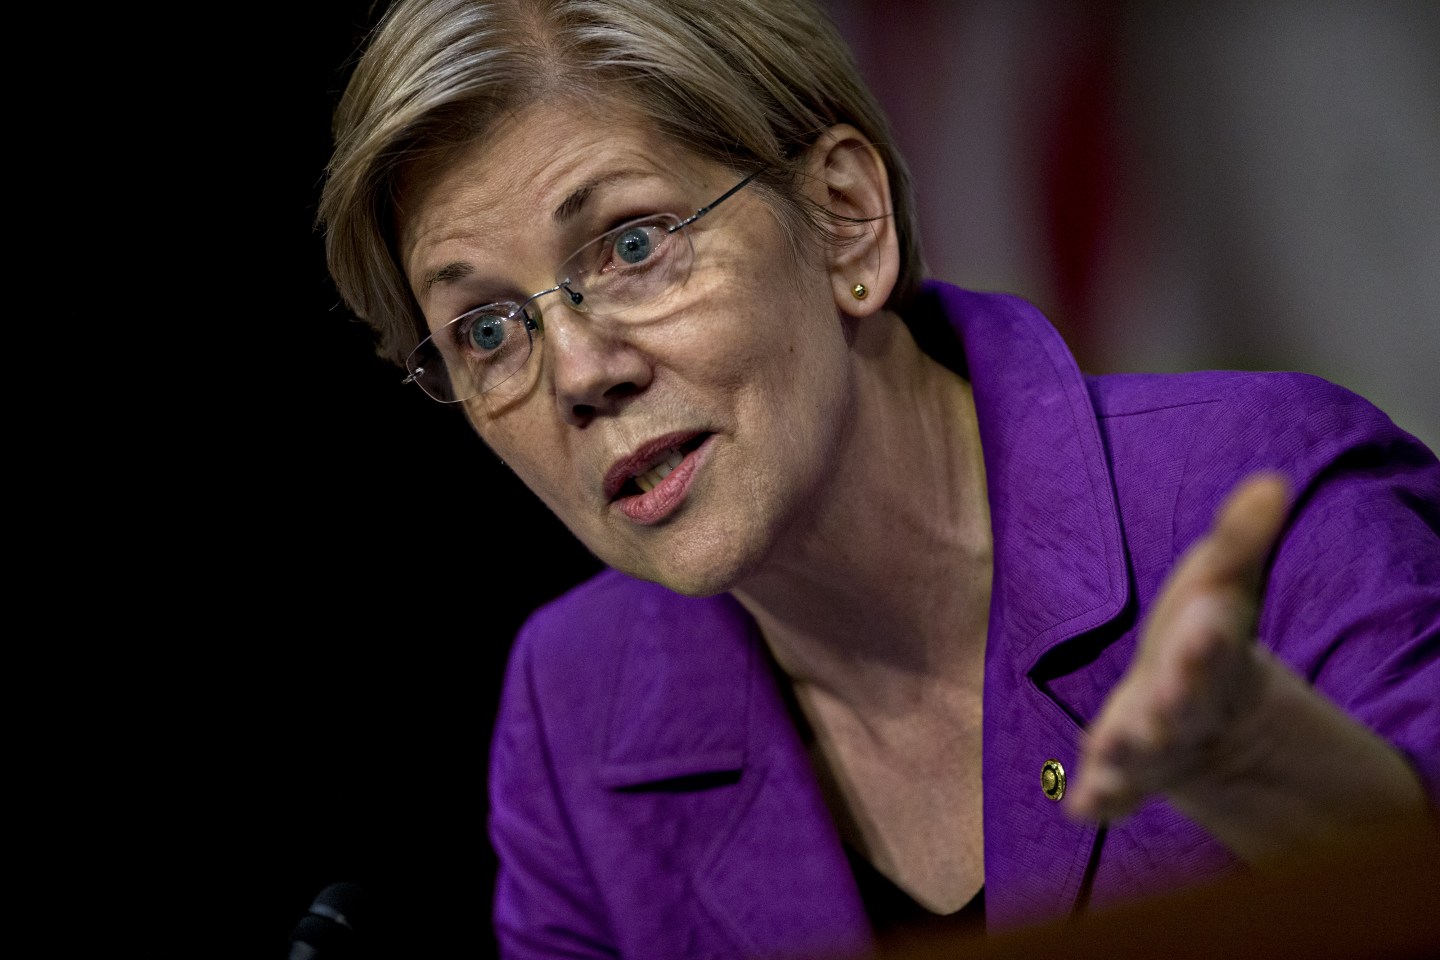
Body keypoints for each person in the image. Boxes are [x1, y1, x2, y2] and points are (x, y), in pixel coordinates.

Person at [316, 1, 1440, 957]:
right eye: (487, 330)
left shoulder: (1268, 492)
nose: (576, 374)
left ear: (846, 221)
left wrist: (1272, 776)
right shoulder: (579, 708)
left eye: (634, 245)